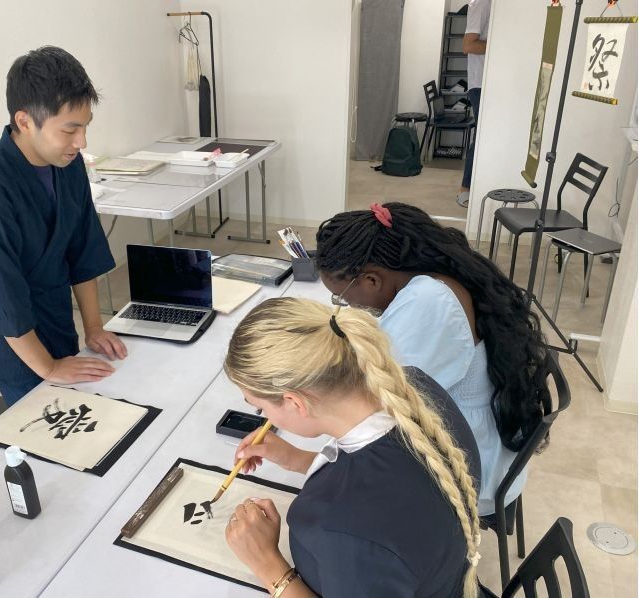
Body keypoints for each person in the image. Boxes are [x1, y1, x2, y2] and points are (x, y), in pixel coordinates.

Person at [223, 297, 482, 597]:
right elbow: (397, 487)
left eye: (260, 409)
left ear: (295, 402)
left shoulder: (340, 527)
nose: (265, 419)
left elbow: (371, 512)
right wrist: (297, 459)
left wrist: (268, 565)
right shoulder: (412, 387)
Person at [314, 203, 550, 517]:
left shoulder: (429, 302)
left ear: (372, 280)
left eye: (342, 297)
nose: (347, 306)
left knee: (346, 494)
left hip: (472, 464)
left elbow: (379, 400)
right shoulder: (430, 274)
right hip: (474, 431)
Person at [0, 46, 127, 406]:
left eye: (85, 127)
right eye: (70, 130)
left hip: (54, 321)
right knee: (47, 431)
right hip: (10, 344)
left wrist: (93, 328)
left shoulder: (67, 165)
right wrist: (47, 367)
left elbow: (82, 249)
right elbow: (0, 296)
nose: (82, 142)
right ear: (25, 121)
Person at [458, 0, 492, 207]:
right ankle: (466, 189)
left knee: (486, 136)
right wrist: (502, 42)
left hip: (490, 81)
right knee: (481, 136)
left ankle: (475, 186)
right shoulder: (482, 2)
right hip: (481, 83)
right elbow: (468, 45)